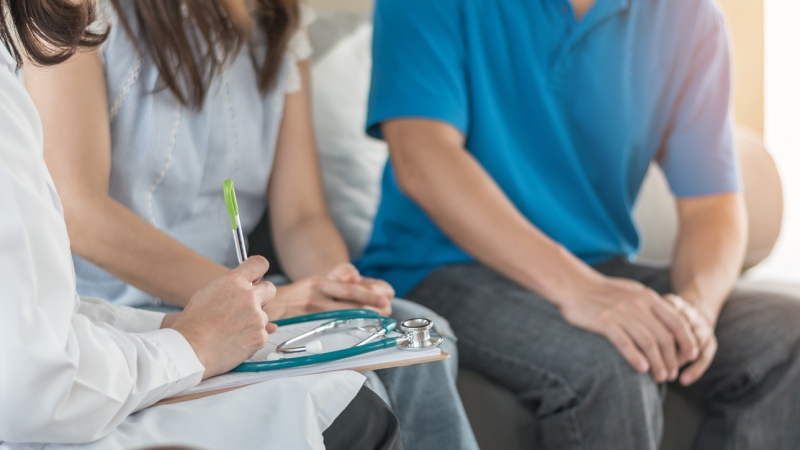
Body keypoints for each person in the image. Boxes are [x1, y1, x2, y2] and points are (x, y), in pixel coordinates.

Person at [23, 1, 478, 449]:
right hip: (127, 316)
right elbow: (81, 212)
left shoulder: (278, 22)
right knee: (351, 386)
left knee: (414, 338)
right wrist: (246, 301)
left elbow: (302, 217)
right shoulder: (79, 13)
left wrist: (339, 288)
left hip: (243, 299)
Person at [359, 0, 800, 448]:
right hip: (439, 267)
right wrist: (579, 290)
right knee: (613, 360)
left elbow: (712, 204)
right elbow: (423, 159)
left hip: (600, 266)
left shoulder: (689, 16)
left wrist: (696, 311)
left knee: (785, 335)